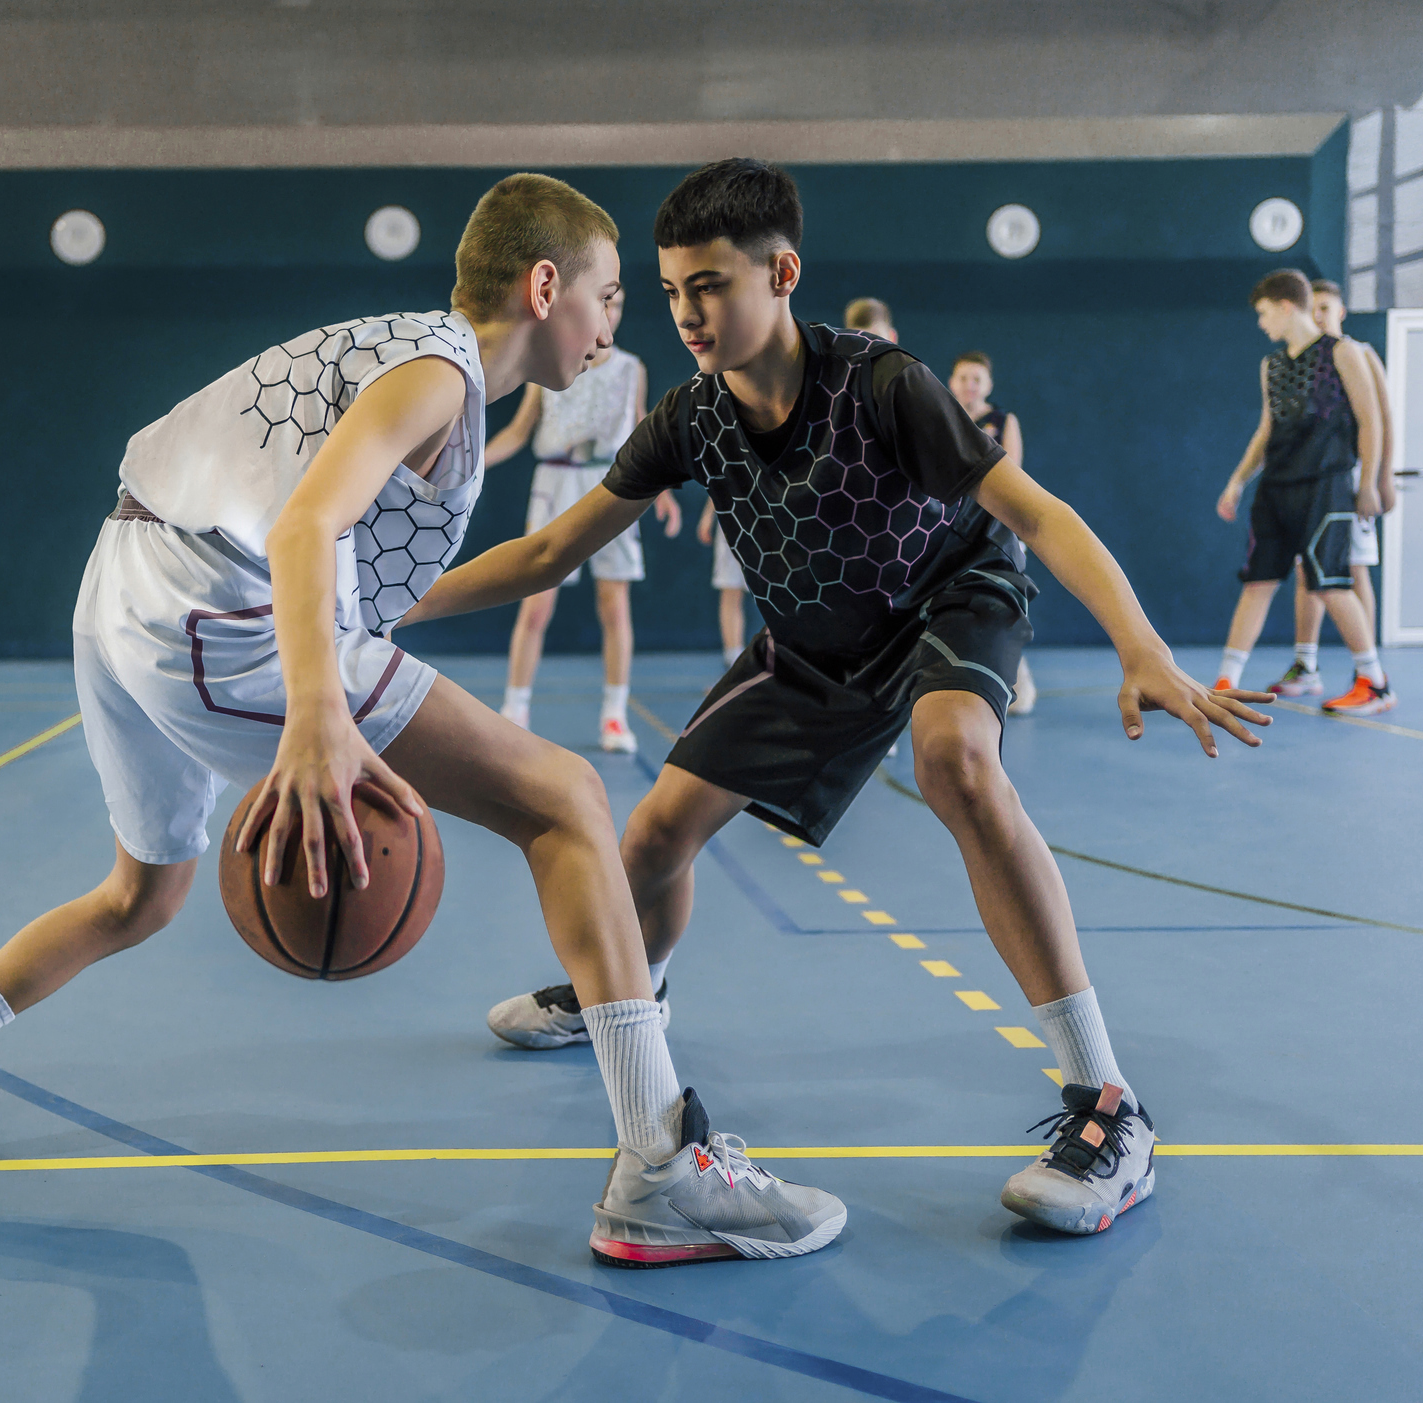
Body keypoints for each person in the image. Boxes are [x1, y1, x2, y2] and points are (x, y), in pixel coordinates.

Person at [0, 173, 845, 1270]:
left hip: (128, 584)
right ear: (544, 285)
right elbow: (303, 530)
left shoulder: (417, 358)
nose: (618, 325)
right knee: (563, 796)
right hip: (214, 608)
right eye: (611, 295)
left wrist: (347, 658)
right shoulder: (440, 371)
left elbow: (351, 553)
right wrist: (318, 714)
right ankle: (664, 1168)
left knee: (139, 895)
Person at [401, 159, 1274, 1236]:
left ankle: (1110, 1107)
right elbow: (547, 550)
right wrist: (387, 604)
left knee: (957, 759)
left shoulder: (881, 384)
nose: (688, 313)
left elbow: (1035, 511)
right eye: (673, 291)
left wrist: (1141, 642)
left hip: (947, 598)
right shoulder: (692, 417)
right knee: (654, 836)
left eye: (710, 286)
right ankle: (623, 993)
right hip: (815, 642)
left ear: (783, 272)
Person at [486, 288, 680, 753]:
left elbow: (640, 432)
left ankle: (614, 716)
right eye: (603, 302)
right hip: (555, 485)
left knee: (614, 607)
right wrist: (471, 466)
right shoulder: (550, 365)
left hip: (613, 486)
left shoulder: (632, 368)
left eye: (617, 305)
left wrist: (664, 489)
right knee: (535, 605)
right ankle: (515, 708)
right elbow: (518, 431)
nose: (609, 312)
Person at [1212, 268, 1393, 715]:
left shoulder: (1344, 353)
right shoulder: (1271, 365)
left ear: (1285, 305)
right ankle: (1225, 681)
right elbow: (1266, 430)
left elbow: (1371, 420)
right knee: (1257, 582)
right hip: (1277, 487)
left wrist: (1370, 482)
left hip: (1326, 485)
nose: (1261, 323)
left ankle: (1374, 682)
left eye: (1263, 313)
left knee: (1331, 583)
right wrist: (1238, 480)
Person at [1267, 279, 1399, 696]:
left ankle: (1369, 671)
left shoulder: (1356, 353)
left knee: (1350, 569)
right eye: (1314, 308)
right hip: (1315, 485)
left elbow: (1380, 420)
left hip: (1350, 483)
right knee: (1308, 568)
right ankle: (1306, 665)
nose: (1319, 315)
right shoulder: (1303, 362)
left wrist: (1379, 479)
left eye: (1327, 308)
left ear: (1341, 312)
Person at [949, 351, 1038, 716]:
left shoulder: (1002, 420)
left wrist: (1016, 526)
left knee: (1000, 603)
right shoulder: (941, 414)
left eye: (977, 379)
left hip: (994, 528)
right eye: (963, 378)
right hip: (949, 527)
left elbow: (1013, 475)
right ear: (952, 381)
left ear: (988, 385)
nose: (969, 385)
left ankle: (1020, 685)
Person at [696, 501, 748, 666]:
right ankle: (735, 667)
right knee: (731, 590)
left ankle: (783, 670)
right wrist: (708, 514)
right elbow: (722, 475)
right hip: (733, 516)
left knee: (782, 594)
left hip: (776, 515)